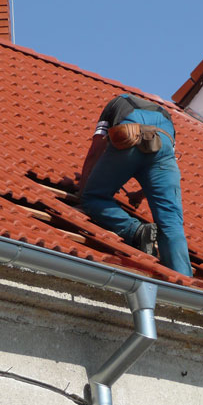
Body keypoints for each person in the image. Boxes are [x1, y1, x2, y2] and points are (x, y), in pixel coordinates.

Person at [78, 94, 192, 277]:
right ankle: (184, 282)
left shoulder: (115, 103)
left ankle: (137, 231)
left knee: (93, 197)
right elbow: (159, 161)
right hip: (164, 141)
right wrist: (139, 195)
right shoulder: (164, 114)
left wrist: (83, 192)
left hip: (131, 134)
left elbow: (96, 150)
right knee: (171, 223)